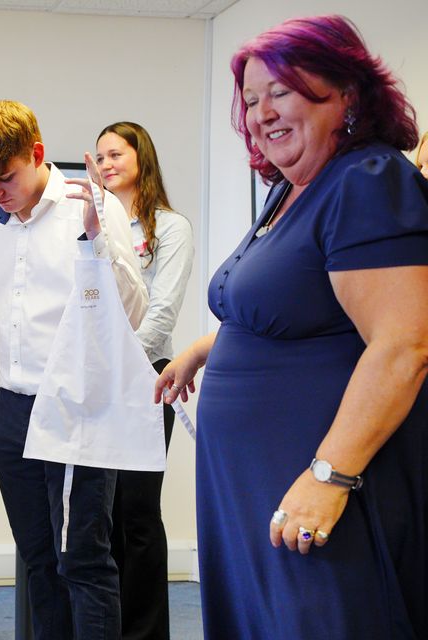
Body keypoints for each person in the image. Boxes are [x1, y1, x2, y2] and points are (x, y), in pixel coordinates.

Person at [155, 15, 428, 639]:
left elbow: (405, 344)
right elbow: (298, 309)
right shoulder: (290, 190)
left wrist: (329, 475)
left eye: (280, 91)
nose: (260, 113)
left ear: (347, 94)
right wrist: (204, 351)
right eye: (250, 100)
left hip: (319, 479)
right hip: (253, 481)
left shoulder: (368, 181)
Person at [0, 99, 148, 640]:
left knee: (84, 563)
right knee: (38, 563)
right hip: (13, 411)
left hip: (77, 408)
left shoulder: (90, 207)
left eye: (5, 177)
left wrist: (97, 240)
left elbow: (133, 311)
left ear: (38, 154)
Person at [96, 122, 193, 640]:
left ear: (141, 157)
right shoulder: (94, 226)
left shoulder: (170, 227)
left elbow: (162, 312)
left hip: (148, 377)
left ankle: (146, 633)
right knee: (101, 513)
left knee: (136, 510)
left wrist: (119, 359)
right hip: (97, 380)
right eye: (100, 156)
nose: (106, 163)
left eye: (116, 153)